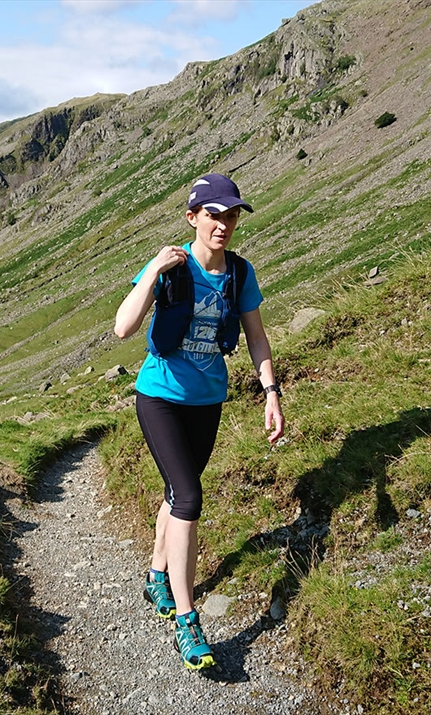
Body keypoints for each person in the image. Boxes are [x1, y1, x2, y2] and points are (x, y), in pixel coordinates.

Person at [113, 172, 285, 671]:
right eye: (214, 214)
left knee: (177, 492)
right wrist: (152, 272)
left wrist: (270, 392)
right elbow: (124, 327)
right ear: (193, 217)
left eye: (231, 215)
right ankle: (188, 622)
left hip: (208, 401)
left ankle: (155, 575)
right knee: (188, 497)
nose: (224, 224)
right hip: (160, 398)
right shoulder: (172, 266)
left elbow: (256, 337)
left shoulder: (240, 272)